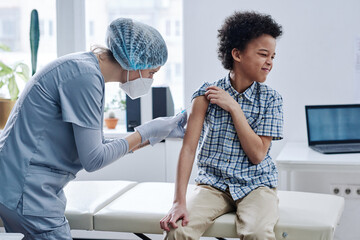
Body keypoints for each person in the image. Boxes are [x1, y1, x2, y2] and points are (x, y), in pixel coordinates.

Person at [0, 18, 186, 240]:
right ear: (135, 62)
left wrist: (154, 135)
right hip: (27, 190)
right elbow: (94, 159)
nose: (150, 80)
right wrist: (146, 131)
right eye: (152, 73)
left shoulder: (86, 70)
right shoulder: (85, 78)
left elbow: (95, 146)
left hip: (25, 185)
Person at [160, 11, 283, 240]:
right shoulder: (205, 96)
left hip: (257, 186)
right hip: (212, 186)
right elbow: (188, 149)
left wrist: (234, 108)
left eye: (273, 56)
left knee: (258, 234)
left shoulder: (272, 100)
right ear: (237, 54)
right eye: (263, 54)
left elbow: (257, 154)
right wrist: (179, 201)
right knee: (178, 231)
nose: (270, 62)